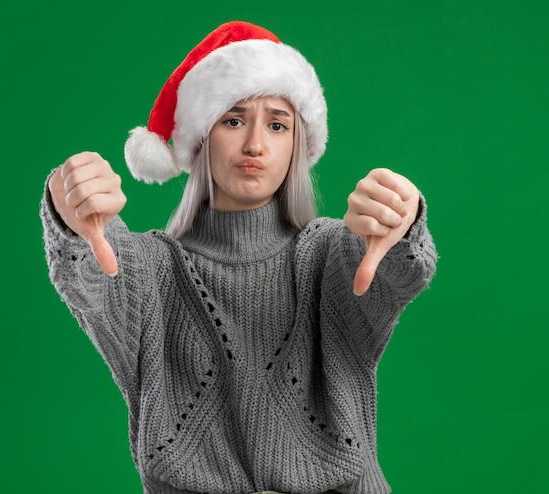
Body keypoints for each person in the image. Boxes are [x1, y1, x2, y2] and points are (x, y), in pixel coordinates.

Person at [41, 21, 437, 494]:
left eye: (277, 124)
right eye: (233, 119)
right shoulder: (151, 269)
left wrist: (403, 220)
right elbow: (93, 274)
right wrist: (67, 207)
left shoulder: (332, 252)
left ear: (297, 145)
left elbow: (400, 274)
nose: (254, 144)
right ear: (202, 137)